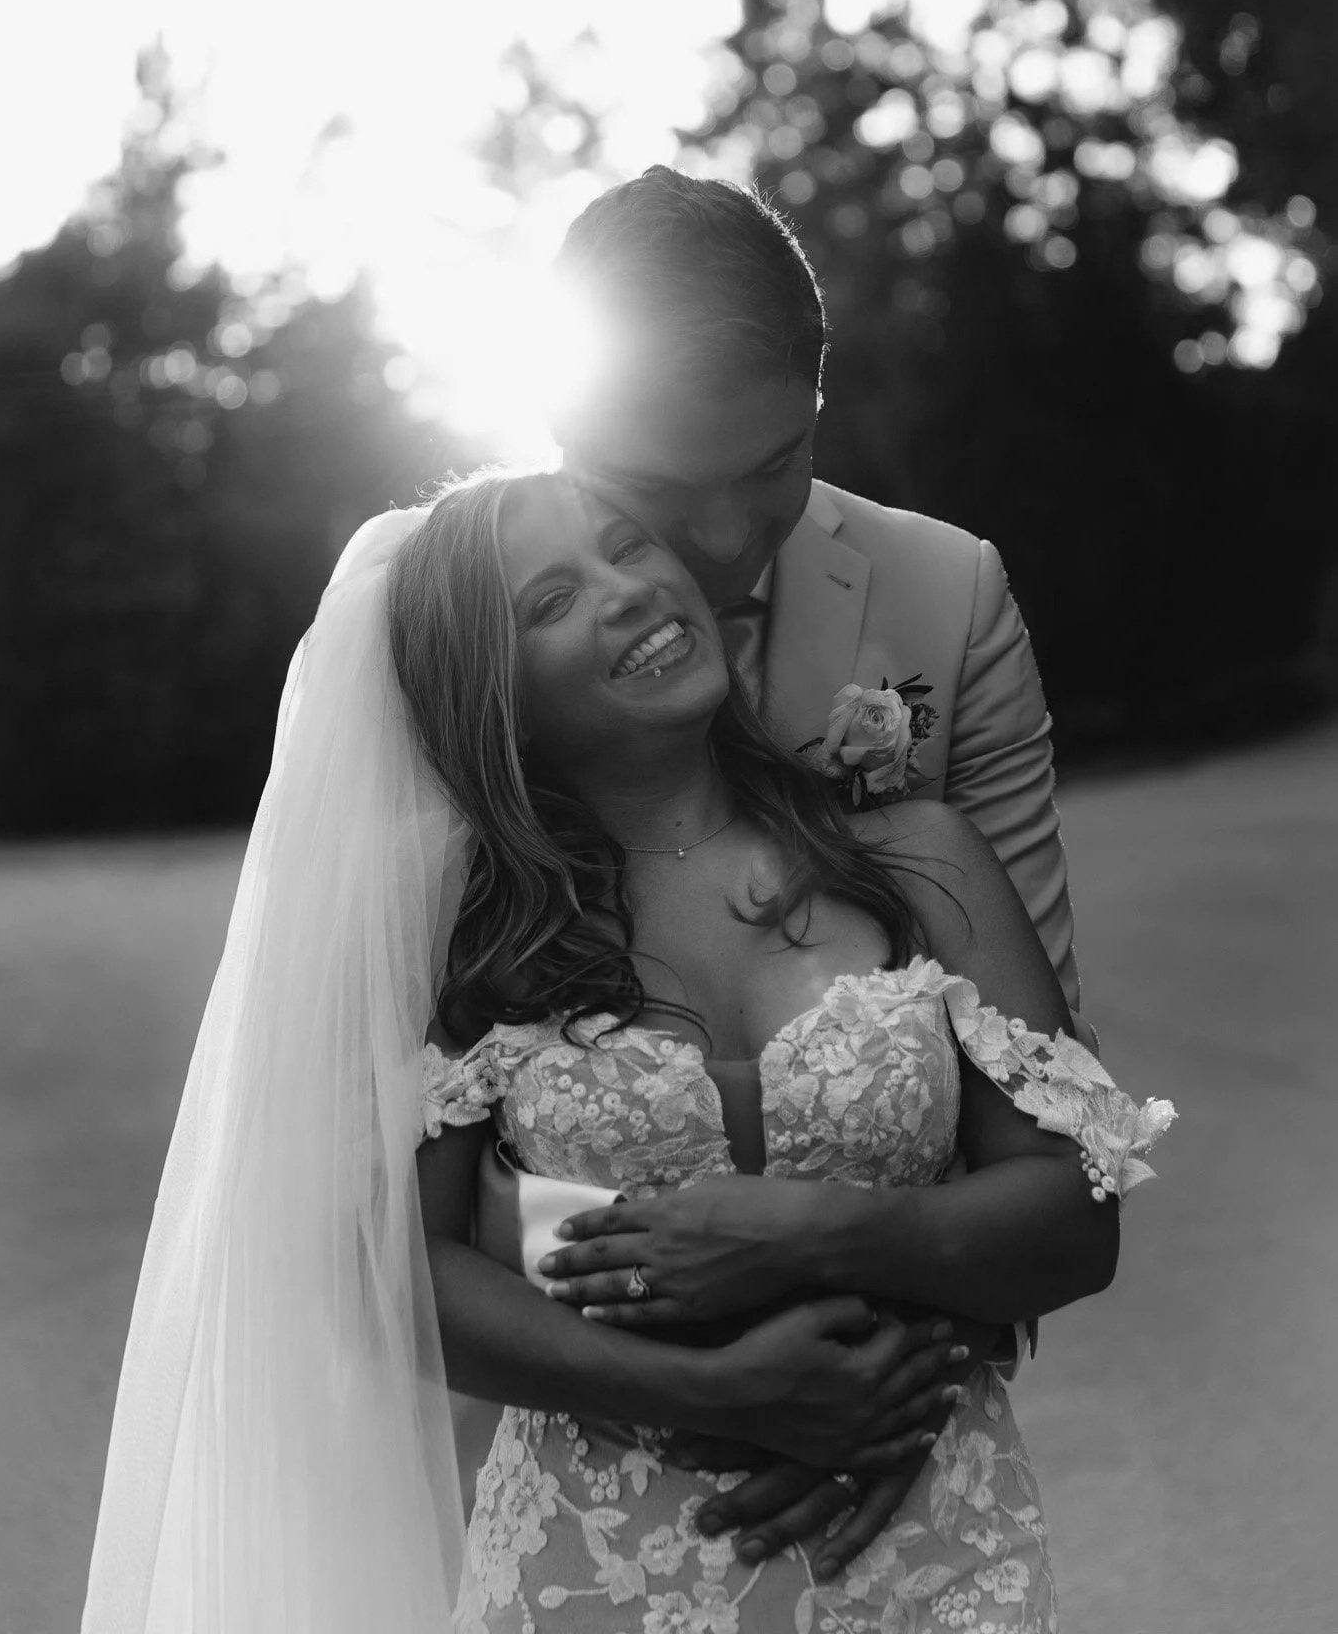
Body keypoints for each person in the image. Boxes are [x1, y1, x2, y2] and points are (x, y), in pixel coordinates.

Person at [450, 163, 1097, 1564]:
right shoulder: (465, 622)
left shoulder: (946, 595)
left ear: (817, 392)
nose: (733, 540)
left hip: (895, 1408)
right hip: (585, 1418)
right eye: (661, 491)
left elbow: (1040, 1092)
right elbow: (403, 1174)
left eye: (776, 468)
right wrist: (700, 1390)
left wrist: (872, 1376)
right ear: (564, 419)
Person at [396, 467, 1170, 1633]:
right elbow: (411, 1273)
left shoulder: (918, 856)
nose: (628, 589)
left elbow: (1078, 1213)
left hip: (928, 1546)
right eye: (552, 596)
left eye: (626, 544)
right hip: (599, 1566)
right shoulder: (477, 938)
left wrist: (820, 1229)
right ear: (488, 691)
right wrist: (712, 1389)